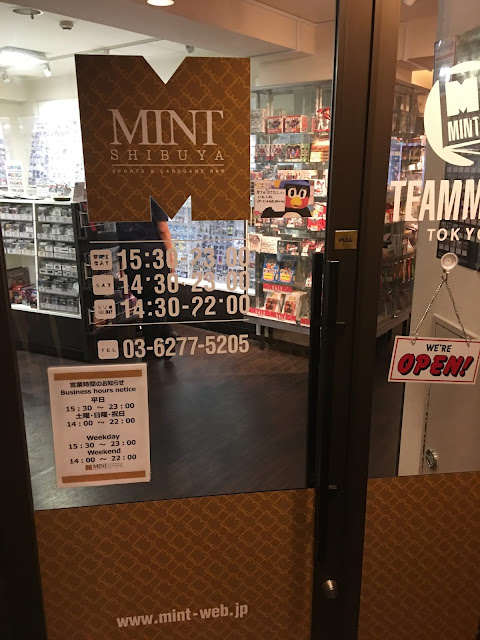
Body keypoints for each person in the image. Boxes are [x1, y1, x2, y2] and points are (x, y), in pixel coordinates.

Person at [116, 198, 176, 353]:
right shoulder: (155, 198)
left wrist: (122, 261)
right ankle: (152, 346)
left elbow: (120, 235)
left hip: (131, 256)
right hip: (153, 256)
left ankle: (166, 335)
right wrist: (171, 257)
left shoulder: (120, 198)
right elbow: (163, 230)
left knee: (146, 299)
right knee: (156, 302)